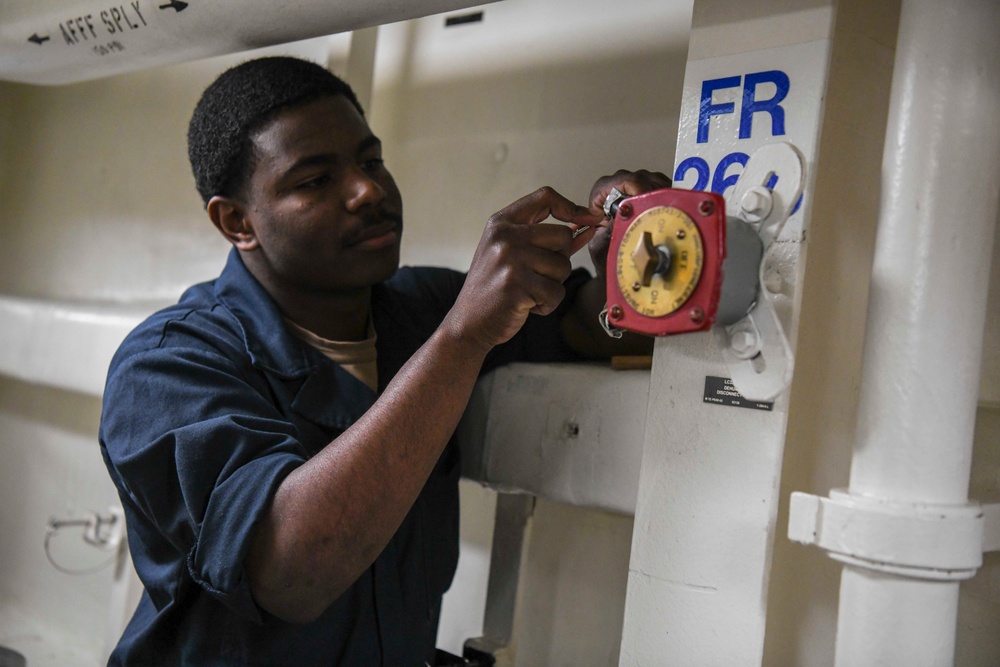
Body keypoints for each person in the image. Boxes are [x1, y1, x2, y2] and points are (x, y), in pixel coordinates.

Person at [99, 56, 666, 666]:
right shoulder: (167, 366)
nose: (368, 191)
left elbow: (597, 329)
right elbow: (292, 570)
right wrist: (460, 340)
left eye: (370, 161)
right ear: (237, 221)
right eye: (314, 180)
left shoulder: (420, 310)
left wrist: (632, 258)